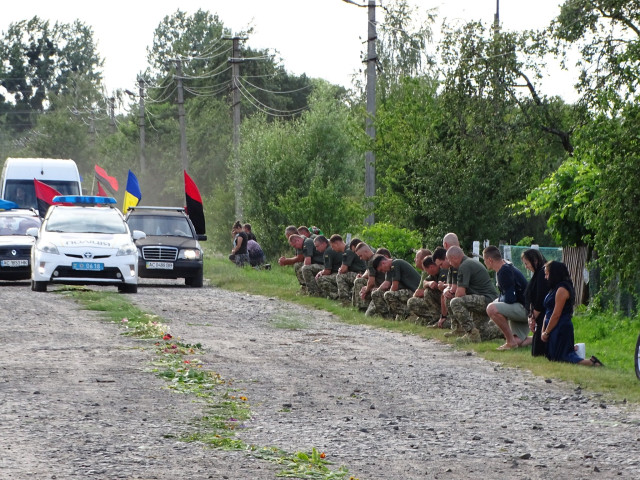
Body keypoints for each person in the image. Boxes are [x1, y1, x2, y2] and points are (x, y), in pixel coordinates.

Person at [541, 261, 604, 366]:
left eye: (547, 274)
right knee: (553, 357)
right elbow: (547, 311)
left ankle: (591, 362)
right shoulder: (553, 289)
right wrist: (543, 330)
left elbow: (556, 314)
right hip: (551, 327)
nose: (546, 277)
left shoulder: (562, 289)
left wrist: (546, 332)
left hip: (560, 327)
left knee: (563, 358)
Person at [446, 246, 500, 343]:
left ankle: (471, 333)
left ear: (454, 258)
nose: (450, 263)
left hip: (486, 299)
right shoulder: (469, 262)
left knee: (455, 302)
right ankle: (500, 331)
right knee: (482, 334)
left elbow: (460, 293)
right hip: (488, 299)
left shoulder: (464, 266)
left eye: (450, 260)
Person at [483, 246, 530, 350]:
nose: (484, 262)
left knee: (491, 308)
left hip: (525, 309)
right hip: (523, 306)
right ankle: (539, 339)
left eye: (484, 260)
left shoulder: (504, 271)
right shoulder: (504, 267)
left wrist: (498, 300)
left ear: (490, 260)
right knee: (519, 342)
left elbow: (510, 299)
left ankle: (510, 342)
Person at [371, 254, 421, 321]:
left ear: (383, 263)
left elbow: (394, 286)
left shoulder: (395, 264)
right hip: (407, 291)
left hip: (414, 291)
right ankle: (389, 318)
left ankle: (407, 314)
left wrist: (387, 296)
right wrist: (377, 290)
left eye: (381, 270)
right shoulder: (389, 268)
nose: (383, 272)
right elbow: (386, 284)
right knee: (376, 294)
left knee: (388, 295)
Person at [521, 248, 550, 357]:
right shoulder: (537, 275)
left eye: (527, 263)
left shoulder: (542, 274)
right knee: (535, 351)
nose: (526, 267)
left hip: (543, 314)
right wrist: (531, 316)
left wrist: (533, 317)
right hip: (536, 314)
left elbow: (541, 297)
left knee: (538, 352)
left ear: (535, 261)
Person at [407, 255, 447, 326]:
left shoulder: (443, 271)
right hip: (440, 300)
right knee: (412, 301)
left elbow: (444, 292)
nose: (427, 273)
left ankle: (439, 318)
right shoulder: (434, 274)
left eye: (426, 270)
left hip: (446, 298)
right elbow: (424, 282)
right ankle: (434, 317)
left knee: (428, 292)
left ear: (431, 267)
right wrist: (429, 283)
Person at [335, 236, 367, 302]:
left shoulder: (349, 251)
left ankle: (345, 300)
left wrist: (340, 270)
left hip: (360, 273)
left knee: (340, 276)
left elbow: (343, 270)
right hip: (363, 274)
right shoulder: (368, 250)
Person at [314, 234, 344, 299]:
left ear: (324, 244)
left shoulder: (327, 252)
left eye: (317, 246)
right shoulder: (332, 249)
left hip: (338, 273)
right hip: (341, 272)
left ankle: (336, 295)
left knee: (320, 279)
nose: (316, 249)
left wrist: (320, 273)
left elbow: (327, 271)